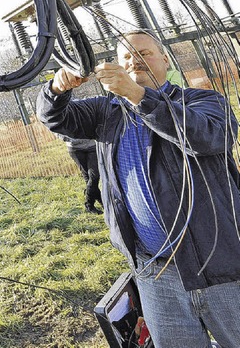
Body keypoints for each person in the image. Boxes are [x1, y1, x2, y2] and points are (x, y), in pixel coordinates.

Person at [36, 30, 240, 348]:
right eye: (126, 57)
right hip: (154, 273)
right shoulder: (106, 114)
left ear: (165, 59)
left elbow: (206, 136)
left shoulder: (203, 102)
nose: (135, 60)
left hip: (219, 265)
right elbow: (53, 117)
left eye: (144, 53)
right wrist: (56, 88)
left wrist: (138, 95)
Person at [58, 135, 102, 213]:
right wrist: (67, 138)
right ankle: (100, 203)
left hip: (91, 145)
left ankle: (89, 203)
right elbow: (55, 127)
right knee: (88, 178)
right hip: (75, 149)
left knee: (94, 176)